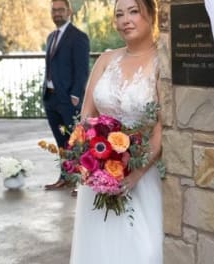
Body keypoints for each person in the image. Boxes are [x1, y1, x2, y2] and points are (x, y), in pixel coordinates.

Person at [70, 0, 163, 263]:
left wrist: (136, 173)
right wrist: (86, 159)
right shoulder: (106, 59)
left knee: (144, 249)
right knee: (98, 249)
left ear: (151, 15)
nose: (125, 20)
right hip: (98, 174)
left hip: (141, 174)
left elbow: (161, 125)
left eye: (134, 12)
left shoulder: (161, 62)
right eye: (119, 14)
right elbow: (86, 117)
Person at [42, 0, 90, 190]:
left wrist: (76, 95)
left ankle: (82, 182)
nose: (57, 14)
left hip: (69, 100)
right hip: (51, 98)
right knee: (61, 142)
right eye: (54, 10)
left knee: (76, 141)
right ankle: (65, 177)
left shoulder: (78, 37)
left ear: (69, 11)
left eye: (61, 10)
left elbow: (82, 70)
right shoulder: (50, 37)